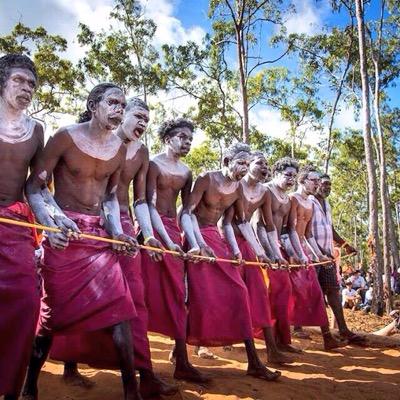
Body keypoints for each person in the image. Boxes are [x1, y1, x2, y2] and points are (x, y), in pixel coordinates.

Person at [49, 98, 177, 398]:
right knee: (79, 293)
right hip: (88, 223)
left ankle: (144, 375)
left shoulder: (141, 151)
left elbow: (142, 199)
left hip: (124, 230)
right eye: (138, 116)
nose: (142, 123)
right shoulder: (91, 141)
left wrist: (149, 234)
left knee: (133, 299)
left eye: (147, 118)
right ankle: (70, 364)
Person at [22, 83, 142, 400]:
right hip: (64, 235)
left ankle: (132, 390)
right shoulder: (65, 136)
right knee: (52, 315)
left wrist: (117, 232)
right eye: (113, 102)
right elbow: (34, 188)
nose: (119, 108)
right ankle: (29, 385)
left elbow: (111, 199)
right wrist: (50, 224)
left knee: (120, 307)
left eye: (123, 104)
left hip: (98, 238)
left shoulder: (118, 150)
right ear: (93, 105)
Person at [181, 142, 281, 381]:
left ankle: (254, 362)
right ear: (227, 162)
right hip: (194, 236)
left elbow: (232, 223)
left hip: (215, 240)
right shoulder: (206, 179)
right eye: (241, 163)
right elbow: (186, 212)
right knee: (195, 297)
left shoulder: (237, 189)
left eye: (247, 164)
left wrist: (239, 250)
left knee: (238, 291)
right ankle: (180, 355)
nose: (244, 169)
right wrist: (198, 245)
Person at [143, 118, 207, 383]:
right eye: (182, 137)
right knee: (144, 295)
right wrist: (158, 237)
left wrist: (195, 242)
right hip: (151, 233)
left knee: (179, 295)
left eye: (190, 139)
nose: (187, 142)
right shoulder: (153, 164)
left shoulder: (187, 172)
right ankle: (141, 364)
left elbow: (186, 212)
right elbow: (147, 203)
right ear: (167, 138)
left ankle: (181, 359)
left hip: (173, 232)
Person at [223, 151, 293, 364]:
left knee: (259, 294)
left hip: (247, 245)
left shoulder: (265, 192)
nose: (265, 167)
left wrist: (274, 254)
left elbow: (269, 226)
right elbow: (229, 222)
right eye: (260, 163)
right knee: (224, 294)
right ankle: (195, 343)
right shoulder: (235, 186)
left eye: (267, 164)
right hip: (226, 243)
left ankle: (270, 350)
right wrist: (261, 253)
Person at [0, 54, 43, 400]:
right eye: (19, 80)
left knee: (27, 301)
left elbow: (36, 187)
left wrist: (54, 219)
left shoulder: (37, 131)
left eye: (31, 83)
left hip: (15, 227)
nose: (26, 88)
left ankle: (11, 389)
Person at [284, 165, 346, 350]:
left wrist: (320, 254)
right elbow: (288, 230)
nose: (321, 185)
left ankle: (332, 335)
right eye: (318, 182)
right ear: (303, 181)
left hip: (312, 254)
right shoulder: (295, 199)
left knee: (323, 293)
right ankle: (285, 336)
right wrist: (298, 254)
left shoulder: (318, 204)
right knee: (291, 293)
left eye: (324, 183)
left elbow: (307, 234)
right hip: (293, 252)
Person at [253, 157, 301, 353]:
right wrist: (267, 253)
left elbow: (287, 231)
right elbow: (257, 225)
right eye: (287, 175)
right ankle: (269, 342)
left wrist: (295, 254)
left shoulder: (288, 200)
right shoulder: (265, 192)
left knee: (284, 292)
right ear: (276, 173)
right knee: (265, 293)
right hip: (260, 249)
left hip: (277, 249)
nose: (291, 179)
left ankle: (282, 340)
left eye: (294, 176)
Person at [311, 173, 364, 343]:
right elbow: (304, 230)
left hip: (327, 257)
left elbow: (330, 228)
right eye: (324, 184)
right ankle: (326, 335)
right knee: (317, 295)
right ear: (316, 184)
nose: (327, 187)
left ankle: (343, 330)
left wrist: (345, 244)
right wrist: (319, 252)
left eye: (330, 185)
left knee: (333, 291)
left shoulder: (326, 204)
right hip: (312, 256)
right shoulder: (308, 202)